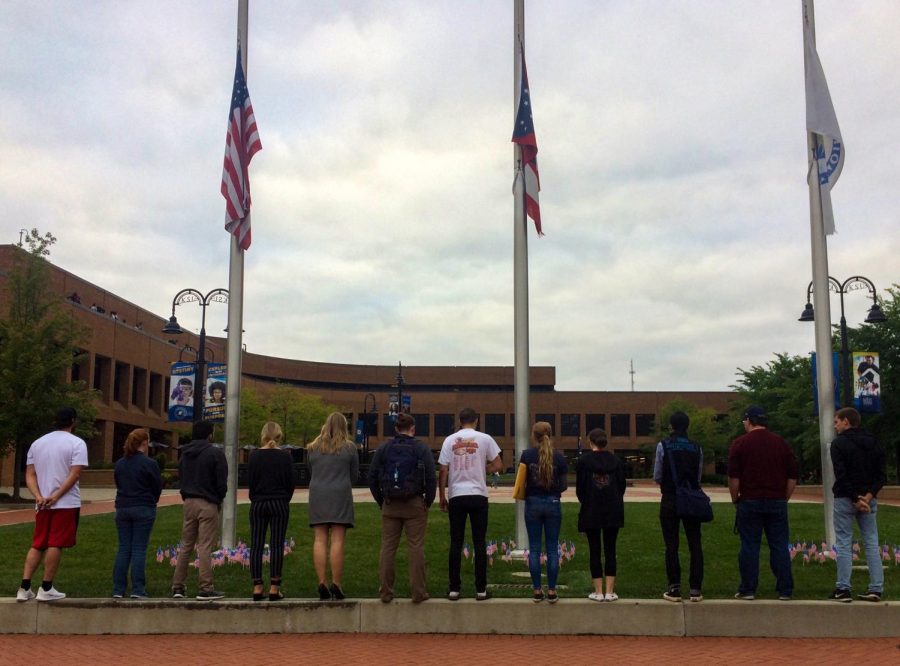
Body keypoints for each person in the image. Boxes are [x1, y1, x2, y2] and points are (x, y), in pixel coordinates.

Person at [16, 407, 88, 602]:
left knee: (38, 544)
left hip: (42, 504)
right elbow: (74, 474)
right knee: (56, 543)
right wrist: (56, 496)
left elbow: (30, 474)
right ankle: (46, 587)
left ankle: (24, 587)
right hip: (65, 503)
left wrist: (38, 496)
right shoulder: (77, 443)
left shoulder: (37, 444)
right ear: (73, 420)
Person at [728, 405, 798, 601]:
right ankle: (785, 589)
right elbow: (792, 476)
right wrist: (784, 497)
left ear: (749, 420)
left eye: (744, 420)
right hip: (777, 501)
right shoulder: (781, 443)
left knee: (749, 545)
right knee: (779, 546)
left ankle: (748, 589)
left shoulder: (740, 444)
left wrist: (735, 498)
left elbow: (734, 477)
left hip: (750, 501)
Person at [367, 412, 437, 603]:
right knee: (416, 548)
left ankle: (386, 592)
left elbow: (372, 477)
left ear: (396, 429)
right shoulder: (421, 448)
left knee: (388, 548)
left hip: (390, 504)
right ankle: (418, 592)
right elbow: (431, 478)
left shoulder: (384, 448)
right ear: (413, 429)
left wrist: (381, 501)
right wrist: (427, 502)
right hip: (414, 503)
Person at [438, 407, 503, 601]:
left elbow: (443, 470)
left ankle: (454, 589)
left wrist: (442, 495)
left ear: (460, 421)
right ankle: (481, 589)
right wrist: (482, 468)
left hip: (457, 494)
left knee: (456, 542)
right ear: (476, 420)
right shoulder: (485, 438)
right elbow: (499, 464)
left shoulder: (449, 440)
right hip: (478, 495)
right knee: (479, 542)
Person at [829, 407, 886, 602]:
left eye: (837, 421)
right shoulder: (875, 442)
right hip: (869, 499)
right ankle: (876, 588)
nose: (835, 425)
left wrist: (855, 498)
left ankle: (843, 588)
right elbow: (881, 476)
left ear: (846, 421)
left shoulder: (838, 444)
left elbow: (841, 475)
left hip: (845, 499)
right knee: (871, 542)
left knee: (844, 542)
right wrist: (868, 497)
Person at [171, 421, 227, 600]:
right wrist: (218, 499)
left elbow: (181, 476)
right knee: (204, 546)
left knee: (186, 544)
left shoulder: (184, 454)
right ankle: (206, 587)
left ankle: (177, 586)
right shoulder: (215, 454)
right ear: (209, 434)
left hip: (188, 502)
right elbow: (221, 482)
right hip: (208, 502)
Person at [653, 412, 705, 603]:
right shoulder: (696, 447)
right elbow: (698, 476)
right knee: (695, 544)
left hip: (670, 498)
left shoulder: (663, 445)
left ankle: (674, 588)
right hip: (691, 498)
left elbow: (658, 475)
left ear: (671, 427)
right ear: (688, 426)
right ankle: (695, 589)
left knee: (671, 545)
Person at [307, 412, 359, 601]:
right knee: (337, 539)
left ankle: (321, 582)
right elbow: (355, 475)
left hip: (318, 494)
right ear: (344, 427)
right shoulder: (350, 448)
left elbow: (310, 470)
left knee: (319, 538)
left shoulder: (312, 448)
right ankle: (336, 584)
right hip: (340, 494)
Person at [518, 421, 568, 602]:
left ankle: (537, 590)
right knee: (553, 549)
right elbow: (563, 485)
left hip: (532, 503)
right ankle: (552, 591)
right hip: (553, 503)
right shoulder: (559, 457)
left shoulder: (526, 456)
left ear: (534, 436)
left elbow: (521, 481)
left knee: (534, 549)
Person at [112, 428, 162, 599]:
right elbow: (157, 487)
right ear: (145, 443)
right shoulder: (150, 464)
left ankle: (118, 589)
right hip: (144, 507)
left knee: (124, 548)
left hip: (123, 507)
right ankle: (138, 589)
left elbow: (118, 483)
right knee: (139, 549)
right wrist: (152, 500)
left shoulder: (120, 463)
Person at [576, 427, 625, 602]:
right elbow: (621, 487)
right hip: (613, 509)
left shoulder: (583, 461)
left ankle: (598, 591)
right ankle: (610, 591)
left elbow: (580, 489)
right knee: (611, 550)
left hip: (591, 510)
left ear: (591, 442)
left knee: (594, 550)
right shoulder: (616, 461)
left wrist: (588, 500)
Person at [248, 422, 295, 601]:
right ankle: (275, 586)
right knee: (276, 544)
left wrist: (257, 497)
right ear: (279, 436)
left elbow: (250, 482)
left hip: (259, 503)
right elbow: (291, 483)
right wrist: (284, 499)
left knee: (257, 544)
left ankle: (257, 586)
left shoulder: (254, 456)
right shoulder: (285, 457)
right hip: (279, 502)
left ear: (263, 435)